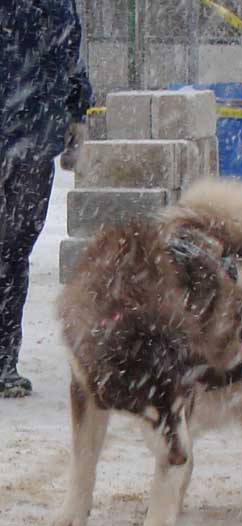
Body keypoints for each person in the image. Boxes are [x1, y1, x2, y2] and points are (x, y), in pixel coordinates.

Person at [1, 0, 93, 398]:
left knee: (14, 248)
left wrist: (77, 112)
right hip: (28, 129)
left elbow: (70, 54)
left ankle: (4, 362)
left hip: (34, 137)